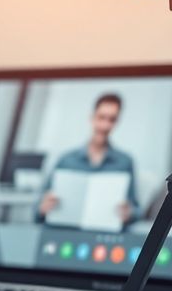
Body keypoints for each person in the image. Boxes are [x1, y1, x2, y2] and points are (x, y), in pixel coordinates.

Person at [37, 93, 140, 230]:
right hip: (64, 233)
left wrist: (129, 213)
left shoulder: (125, 162)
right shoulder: (65, 159)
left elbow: (137, 210)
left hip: (102, 236)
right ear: (92, 118)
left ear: (117, 122)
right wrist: (43, 207)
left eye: (112, 119)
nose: (105, 125)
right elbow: (37, 209)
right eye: (101, 117)